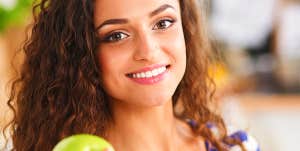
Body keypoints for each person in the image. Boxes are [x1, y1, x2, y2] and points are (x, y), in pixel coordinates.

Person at [3, 0, 260, 151]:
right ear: (80, 53)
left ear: (187, 30)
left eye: (163, 23)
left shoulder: (236, 146)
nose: (148, 51)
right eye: (116, 35)